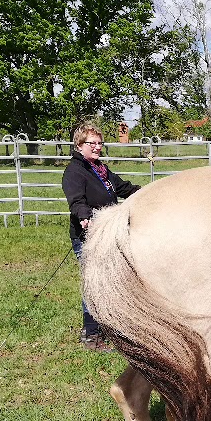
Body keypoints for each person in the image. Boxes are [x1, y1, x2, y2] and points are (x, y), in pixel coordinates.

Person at [62, 121, 141, 351]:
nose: (97, 147)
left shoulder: (101, 170)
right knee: (95, 283)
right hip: (88, 235)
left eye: (99, 143)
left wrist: (147, 193)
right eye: (92, 143)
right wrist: (84, 216)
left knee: (112, 280)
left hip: (108, 233)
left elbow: (124, 188)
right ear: (79, 145)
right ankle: (91, 334)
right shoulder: (74, 172)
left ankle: (109, 328)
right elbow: (76, 201)